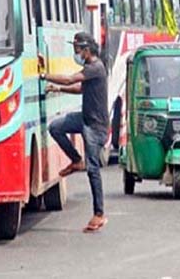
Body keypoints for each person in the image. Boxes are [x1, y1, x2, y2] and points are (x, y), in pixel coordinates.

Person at [43, 32, 109, 233]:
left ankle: (99, 214)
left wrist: (44, 75)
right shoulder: (90, 69)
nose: (76, 54)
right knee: (55, 128)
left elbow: (69, 79)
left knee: (93, 170)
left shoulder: (95, 67)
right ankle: (76, 160)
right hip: (84, 119)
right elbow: (80, 89)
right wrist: (57, 89)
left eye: (77, 50)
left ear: (87, 50)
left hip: (95, 126)